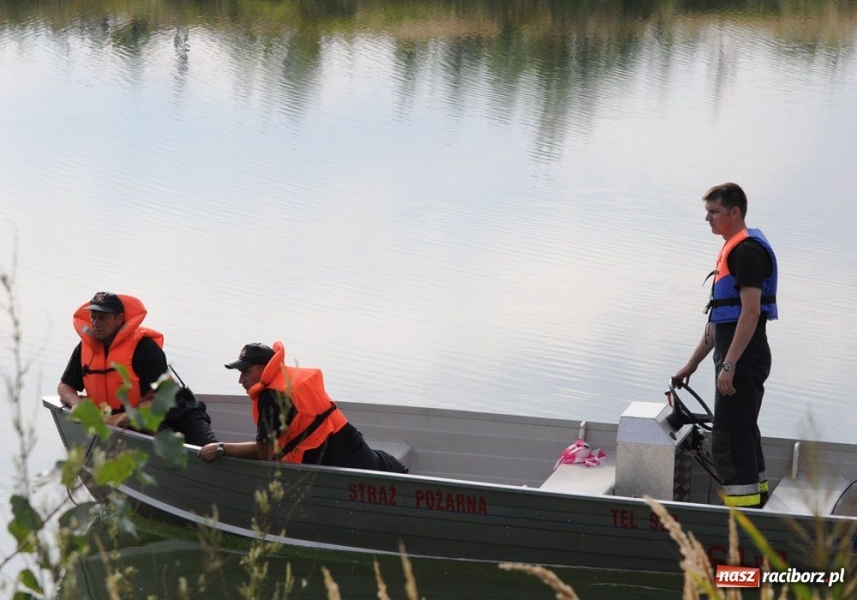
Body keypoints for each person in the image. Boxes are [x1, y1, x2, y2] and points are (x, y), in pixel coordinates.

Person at [672, 183, 777, 508]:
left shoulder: (746, 252)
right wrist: (693, 363)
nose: (707, 218)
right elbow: (720, 320)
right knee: (741, 429)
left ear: (735, 213)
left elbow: (750, 311)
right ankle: (756, 504)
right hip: (736, 351)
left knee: (729, 437)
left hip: (744, 355)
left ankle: (743, 519)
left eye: (714, 211)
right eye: (707, 211)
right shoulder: (734, 250)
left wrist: (729, 365)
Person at [197, 341, 408, 474]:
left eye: (246, 372)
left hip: (339, 453)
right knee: (383, 466)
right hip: (343, 441)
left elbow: (264, 451)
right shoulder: (282, 381)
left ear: (264, 369)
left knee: (383, 478)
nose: (241, 380)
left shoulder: (273, 396)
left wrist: (221, 448)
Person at [58, 291, 218, 446]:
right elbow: (64, 386)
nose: (96, 323)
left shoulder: (145, 348)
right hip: (127, 425)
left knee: (212, 450)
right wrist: (75, 403)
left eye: (103, 317)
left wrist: (110, 421)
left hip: (177, 415)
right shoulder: (85, 348)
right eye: (93, 317)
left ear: (119, 319)